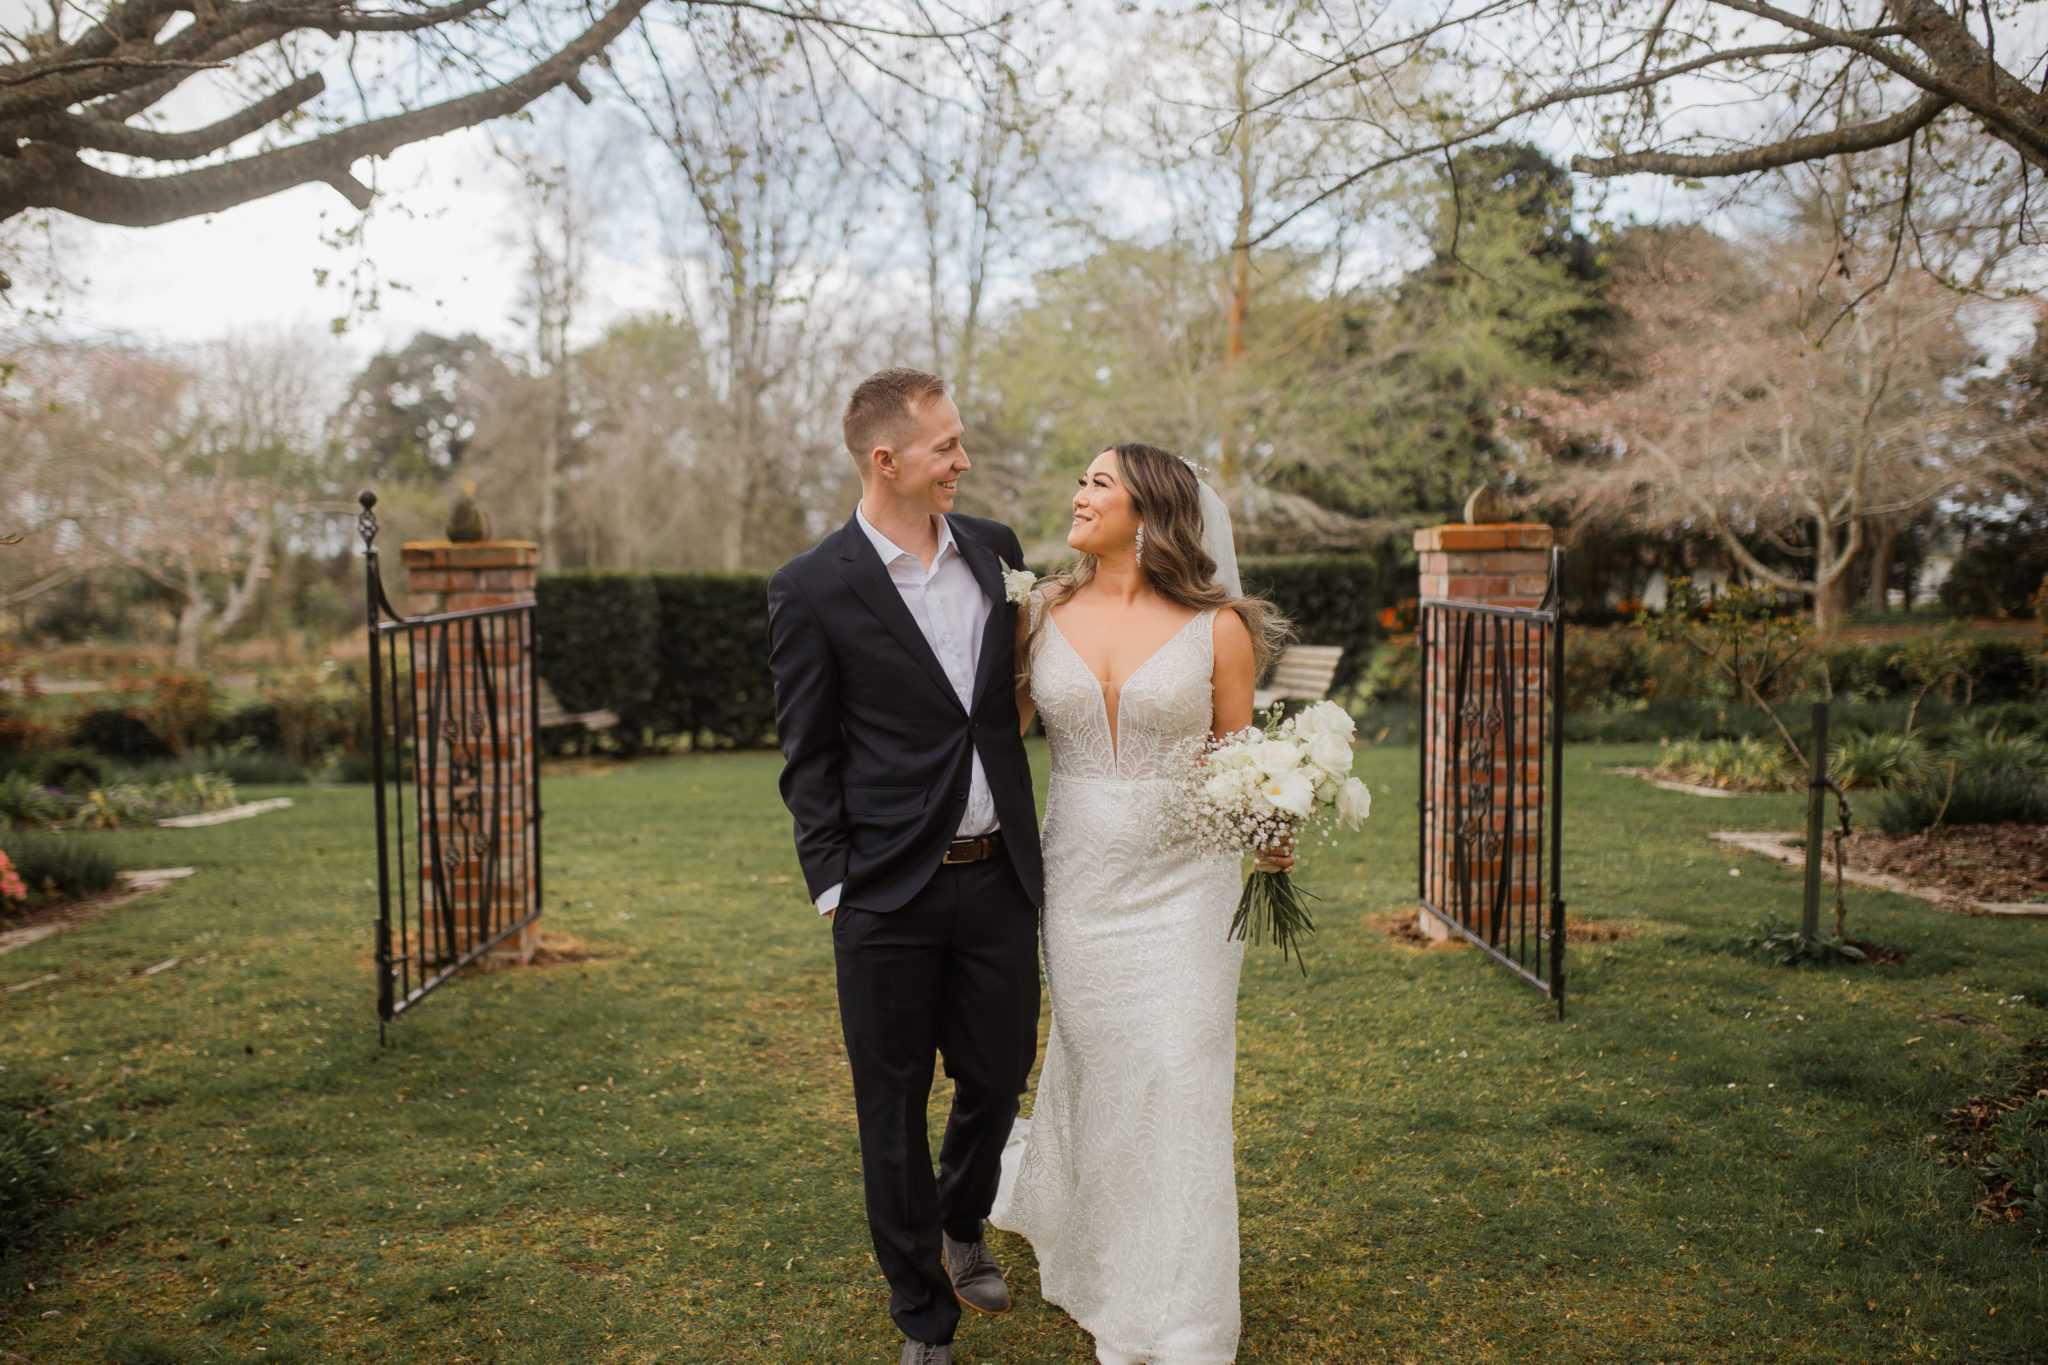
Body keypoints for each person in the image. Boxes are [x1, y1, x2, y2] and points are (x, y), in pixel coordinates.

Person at [766, 368, 1044, 1365]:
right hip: (885, 890)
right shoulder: (810, 587)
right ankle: (921, 1316)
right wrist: (837, 887)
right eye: (945, 448)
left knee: (998, 1071)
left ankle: (961, 1217)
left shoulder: (995, 553)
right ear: (885, 460)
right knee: (888, 1101)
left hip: (1001, 872)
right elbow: (809, 757)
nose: (962, 462)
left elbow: (1010, 696)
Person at [992, 442, 1288, 1365]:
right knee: (1107, 1067)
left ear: (1149, 512)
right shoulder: (1040, 611)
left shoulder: (1221, 629)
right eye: (1079, 477)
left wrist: (1273, 821)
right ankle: (1106, 1255)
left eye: (1097, 483)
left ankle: (1184, 1313)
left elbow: (1240, 762)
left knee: (1180, 1073)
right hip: (1078, 879)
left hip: (1188, 886)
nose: (1077, 494)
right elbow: (998, 736)